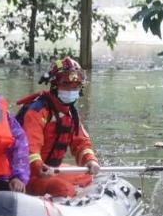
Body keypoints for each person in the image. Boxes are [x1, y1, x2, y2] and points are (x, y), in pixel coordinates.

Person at [16, 56, 100, 197]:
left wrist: (90, 161)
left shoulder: (71, 113)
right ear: (54, 86)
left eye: (76, 86)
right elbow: (30, 148)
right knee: (64, 190)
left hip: (52, 169)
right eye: (66, 85)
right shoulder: (37, 112)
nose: (72, 90)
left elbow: (81, 143)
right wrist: (38, 166)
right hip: (29, 174)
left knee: (87, 176)